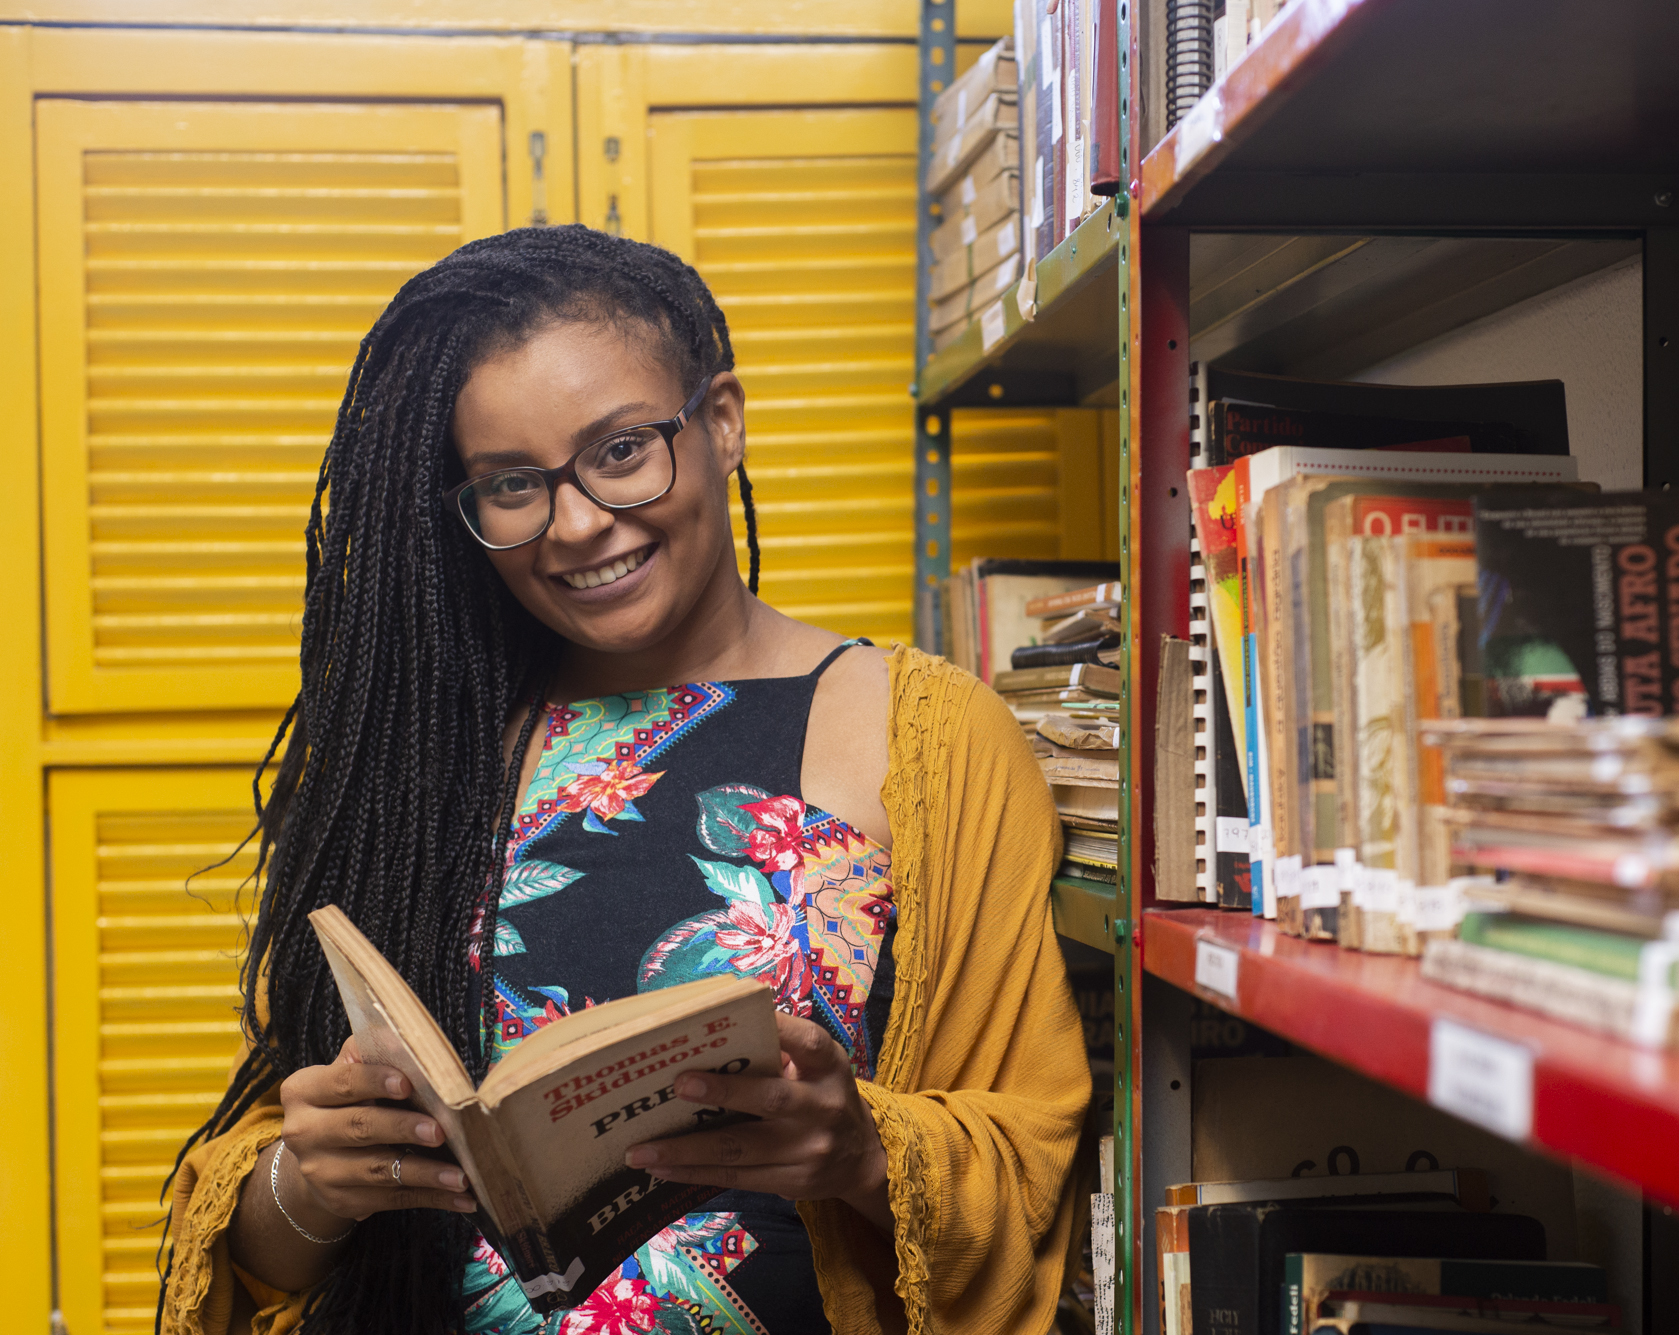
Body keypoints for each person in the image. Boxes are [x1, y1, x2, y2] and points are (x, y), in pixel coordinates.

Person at [158, 225, 1091, 1335]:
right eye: (511, 485)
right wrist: (306, 1186)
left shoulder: (920, 736)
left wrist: (858, 1149)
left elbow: (1026, 1166)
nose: (577, 525)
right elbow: (257, 1239)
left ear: (723, 421)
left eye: (618, 451)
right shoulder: (424, 749)